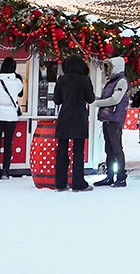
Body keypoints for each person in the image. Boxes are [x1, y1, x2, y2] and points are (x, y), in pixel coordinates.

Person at [53, 55, 95, 192]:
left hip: (64, 117)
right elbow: (91, 98)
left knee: (62, 151)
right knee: (78, 152)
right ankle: (78, 183)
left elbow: (57, 100)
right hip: (79, 117)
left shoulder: (61, 80)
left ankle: (60, 183)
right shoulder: (84, 79)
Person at [92, 56, 130, 187]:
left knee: (116, 148)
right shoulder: (112, 81)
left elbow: (115, 99)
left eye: (109, 67)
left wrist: (96, 103)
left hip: (114, 119)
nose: (107, 70)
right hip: (108, 118)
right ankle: (109, 176)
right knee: (109, 149)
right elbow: (108, 98)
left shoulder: (121, 82)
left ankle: (121, 177)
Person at [0, 57, 24, 179]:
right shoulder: (18, 82)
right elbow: (20, 93)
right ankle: (6, 170)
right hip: (11, 115)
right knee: (8, 144)